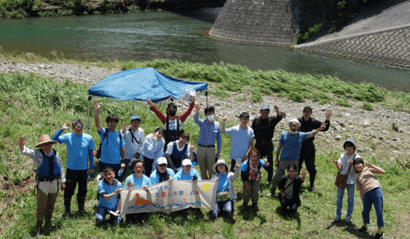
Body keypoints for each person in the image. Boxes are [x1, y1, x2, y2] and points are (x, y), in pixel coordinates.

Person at [18, 135, 66, 235]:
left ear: (51, 144)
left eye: (48, 144)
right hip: (43, 185)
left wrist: (63, 181)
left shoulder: (55, 154)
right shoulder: (37, 154)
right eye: (44, 144)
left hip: (54, 184)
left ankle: (48, 223)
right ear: (41, 146)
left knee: (51, 205)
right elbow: (26, 152)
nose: (46, 146)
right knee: (41, 207)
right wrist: (21, 147)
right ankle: (39, 228)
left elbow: (61, 167)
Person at [271, 118, 327, 195]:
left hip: (294, 160)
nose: (293, 127)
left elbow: (311, 133)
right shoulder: (283, 135)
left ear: (298, 127)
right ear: (289, 126)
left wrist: (320, 128)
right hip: (283, 159)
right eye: (292, 126)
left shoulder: (300, 135)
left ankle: (291, 193)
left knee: (293, 178)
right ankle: (272, 191)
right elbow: (278, 148)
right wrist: (277, 159)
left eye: (295, 126)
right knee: (277, 176)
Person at [52, 119, 95, 216]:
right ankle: (67, 210)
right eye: (76, 126)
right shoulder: (68, 137)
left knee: (83, 190)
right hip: (71, 169)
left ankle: (81, 209)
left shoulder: (88, 138)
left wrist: (91, 166)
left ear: (83, 127)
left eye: (80, 126)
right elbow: (54, 139)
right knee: (69, 190)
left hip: (83, 169)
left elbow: (90, 153)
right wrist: (62, 129)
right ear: (73, 128)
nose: (78, 128)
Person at [298, 106, 332, 191]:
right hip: (299, 146)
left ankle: (311, 184)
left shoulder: (313, 122)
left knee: (310, 166)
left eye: (308, 112)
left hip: (309, 146)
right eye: (305, 111)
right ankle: (295, 182)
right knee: (297, 165)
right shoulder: (298, 121)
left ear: (311, 113)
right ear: (303, 112)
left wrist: (327, 120)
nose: (306, 113)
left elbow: (324, 128)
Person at [353, 158, 385, 239]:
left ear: (362, 164)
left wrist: (372, 166)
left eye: (359, 163)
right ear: (354, 167)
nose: (358, 165)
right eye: (356, 164)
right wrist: (363, 201)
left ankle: (380, 231)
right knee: (365, 211)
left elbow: (383, 172)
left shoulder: (368, 169)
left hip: (376, 189)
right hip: (366, 194)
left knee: (379, 210)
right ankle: (365, 225)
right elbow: (360, 191)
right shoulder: (357, 178)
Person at [94, 100, 125, 180]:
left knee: (116, 181)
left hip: (116, 163)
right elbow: (97, 124)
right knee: (103, 182)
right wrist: (97, 111)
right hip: (104, 162)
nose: (112, 124)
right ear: (107, 123)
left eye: (114, 122)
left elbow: (122, 149)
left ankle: (116, 193)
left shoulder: (119, 134)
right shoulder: (104, 132)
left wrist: (122, 161)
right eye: (110, 122)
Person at [251, 104, 283, 184]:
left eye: (267, 112)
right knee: (256, 161)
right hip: (258, 143)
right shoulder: (256, 120)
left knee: (269, 162)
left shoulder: (271, 119)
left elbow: (280, 117)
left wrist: (278, 111)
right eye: (263, 111)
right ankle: (256, 178)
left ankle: (270, 179)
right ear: (260, 111)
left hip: (268, 143)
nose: (265, 113)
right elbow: (252, 132)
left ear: (268, 113)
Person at [332, 139, 360, 224]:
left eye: (350, 146)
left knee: (350, 199)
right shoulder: (342, 155)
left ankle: (348, 216)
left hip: (351, 180)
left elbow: (358, 170)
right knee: (339, 198)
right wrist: (336, 163)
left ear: (354, 147)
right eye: (347, 146)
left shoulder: (357, 157)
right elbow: (340, 169)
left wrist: (353, 164)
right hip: (342, 178)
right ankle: (338, 215)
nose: (349, 148)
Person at [194, 104, 222, 179]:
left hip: (211, 150)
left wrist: (219, 151)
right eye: (208, 114)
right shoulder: (202, 123)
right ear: (205, 115)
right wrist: (197, 112)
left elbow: (219, 139)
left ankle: (213, 186)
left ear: (214, 114)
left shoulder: (217, 125)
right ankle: (205, 187)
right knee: (202, 170)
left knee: (212, 170)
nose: (210, 115)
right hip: (201, 148)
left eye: (211, 114)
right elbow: (196, 120)